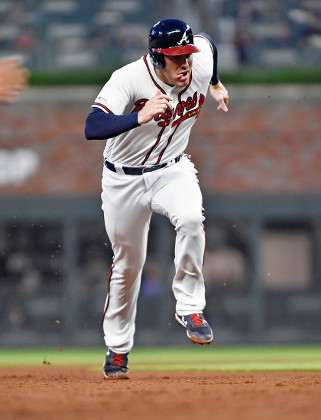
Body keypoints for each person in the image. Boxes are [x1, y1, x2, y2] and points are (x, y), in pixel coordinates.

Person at [85, 18, 229, 379]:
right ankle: (117, 350)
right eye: (176, 57)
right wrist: (138, 115)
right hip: (123, 180)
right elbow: (92, 127)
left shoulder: (201, 61)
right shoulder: (129, 78)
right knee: (127, 267)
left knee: (192, 218)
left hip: (172, 169)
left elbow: (209, 41)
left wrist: (214, 82)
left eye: (187, 54)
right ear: (156, 56)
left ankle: (190, 307)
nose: (186, 62)